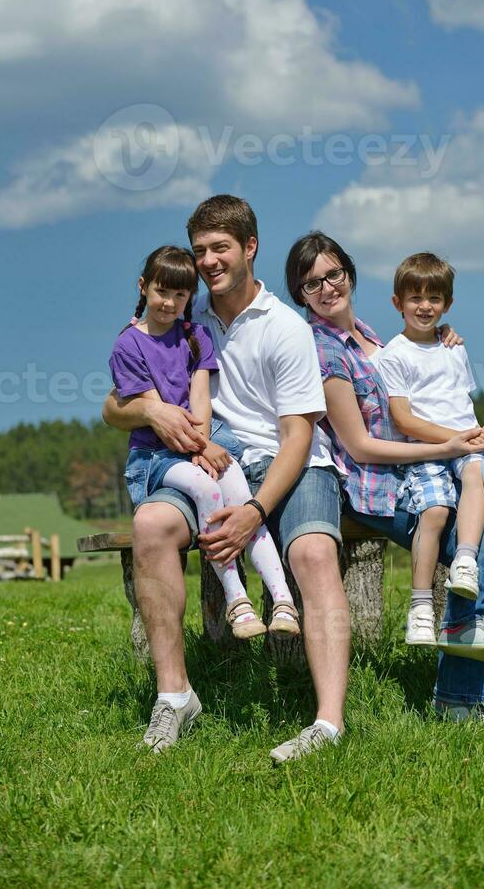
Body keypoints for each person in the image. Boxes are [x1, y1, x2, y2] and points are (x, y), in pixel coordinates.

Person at [103, 197, 348, 760]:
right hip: (209, 461)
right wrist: (149, 412)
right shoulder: (181, 321)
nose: (209, 261)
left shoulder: (285, 327)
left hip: (287, 464)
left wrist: (255, 512)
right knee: (151, 522)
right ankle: (175, 695)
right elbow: (112, 409)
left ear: (250, 248)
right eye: (200, 251)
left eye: (220, 249)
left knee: (312, 553)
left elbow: (298, 437)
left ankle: (328, 725)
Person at [285, 231, 484, 722]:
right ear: (300, 294)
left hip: (430, 464)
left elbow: (423, 367)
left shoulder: (374, 335)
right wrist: (451, 444)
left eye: (334, 274)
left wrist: (443, 340)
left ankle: (461, 677)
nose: (327, 288)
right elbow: (359, 444)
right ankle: (462, 694)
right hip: (384, 486)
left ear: (348, 273)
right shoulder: (324, 352)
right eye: (311, 284)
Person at [109, 244, 300, 660]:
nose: (170, 303)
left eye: (181, 296)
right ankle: (237, 599)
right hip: (158, 455)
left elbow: (200, 399)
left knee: (241, 500)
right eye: (162, 292)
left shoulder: (194, 336)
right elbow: (158, 412)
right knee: (205, 488)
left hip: (205, 437)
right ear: (143, 287)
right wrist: (198, 447)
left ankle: (282, 599)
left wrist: (207, 442)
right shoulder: (129, 346)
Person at [378, 252, 484, 656]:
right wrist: (457, 438)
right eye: (415, 298)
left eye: (434, 299)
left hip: (464, 441)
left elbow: (459, 401)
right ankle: (420, 607)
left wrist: (471, 436)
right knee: (434, 512)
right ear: (397, 302)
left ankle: (466, 563)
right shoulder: (394, 354)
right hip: (427, 449)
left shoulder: (454, 347)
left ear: (447, 304)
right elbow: (404, 420)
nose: (425, 306)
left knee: (477, 477)